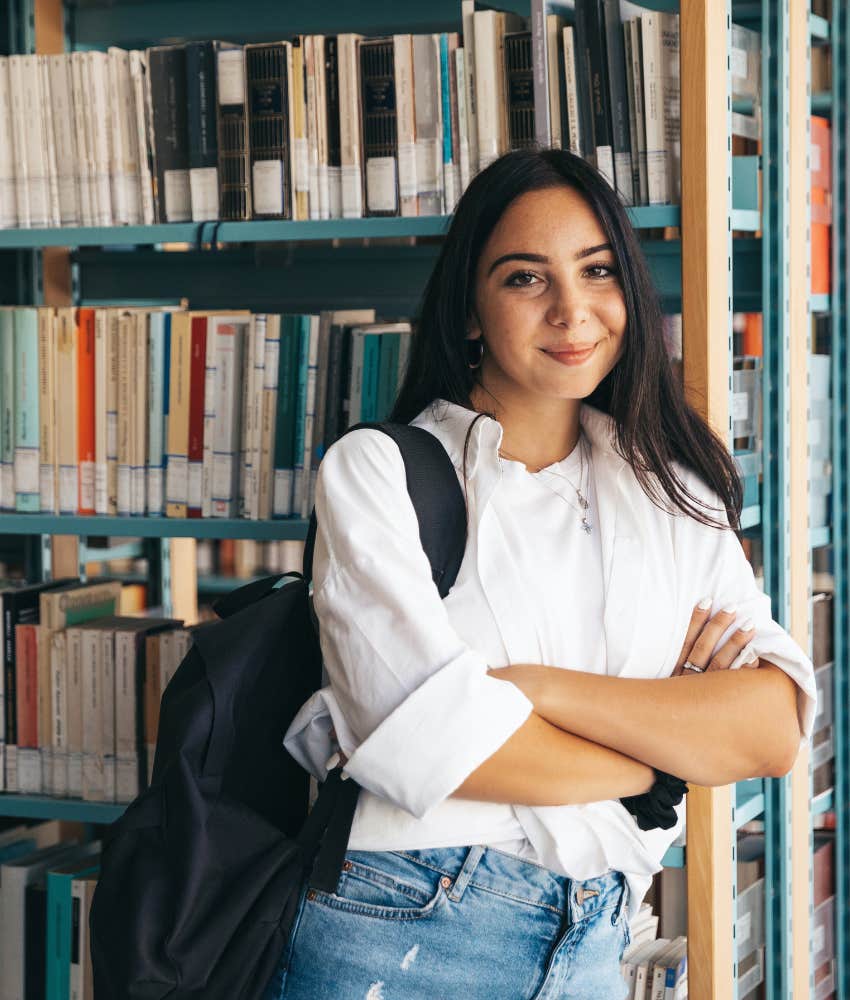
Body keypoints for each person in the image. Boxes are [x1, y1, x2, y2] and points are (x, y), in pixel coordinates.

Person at [267, 148, 816, 1000]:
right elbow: (436, 745)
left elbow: (771, 728)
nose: (573, 311)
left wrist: (534, 691)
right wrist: (662, 759)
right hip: (400, 931)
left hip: (593, 939)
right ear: (473, 311)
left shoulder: (670, 489)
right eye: (526, 278)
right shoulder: (377, 472)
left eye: (597, 271)